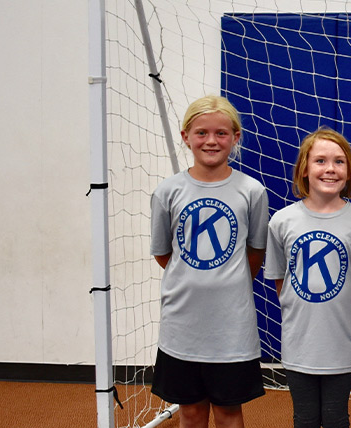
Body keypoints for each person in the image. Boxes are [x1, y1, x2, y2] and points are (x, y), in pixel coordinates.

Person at [150, 95, 269, 428]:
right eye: (201, 133)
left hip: (231, 328)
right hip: (182, 325)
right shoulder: (167, 192)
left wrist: (225, 281)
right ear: (186, 136)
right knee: (189, 411)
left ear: (236, 137)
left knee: (229, 411)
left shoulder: (252, 191)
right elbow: (164, 254)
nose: (211, 141)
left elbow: (255, 252)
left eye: (221, 133)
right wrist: (196, 275)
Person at [264, 127, 351, 428]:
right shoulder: (282, 221)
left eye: (339, 162)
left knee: (337, 417)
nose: (330, 169)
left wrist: (339, 319)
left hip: (341, 341)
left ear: (349, 170)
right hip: (299, 341)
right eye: (320, 161)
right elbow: (280, 282)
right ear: (304, 168)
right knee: (305, 418)